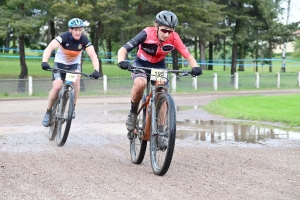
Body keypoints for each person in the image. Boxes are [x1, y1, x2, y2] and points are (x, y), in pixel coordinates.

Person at [117, 10, 202, 137]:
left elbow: (188, 56)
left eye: (170, 31)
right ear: (157, 27)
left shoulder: (174, 38)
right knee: (141, 83)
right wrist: (122, 61)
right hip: (141, 63)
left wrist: (195, 67)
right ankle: (133, 112)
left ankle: (161, 131)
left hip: (158, 65)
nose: (167, 34)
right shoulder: (147, 33)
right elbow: (123, 49)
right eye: (164, 30)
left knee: (162, 93)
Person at [41, 18, 100, 127]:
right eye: (75, 30)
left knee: (76, 79)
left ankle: (72, 108)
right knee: (57, 86)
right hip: (59, 64)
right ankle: (48, 113)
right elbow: (49, 48)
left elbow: (93, 55)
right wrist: (44, 61)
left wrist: (96, 70)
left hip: (73, 66)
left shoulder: (84, 40)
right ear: (70, 30)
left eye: (80, 30)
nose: (78, 32)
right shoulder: (63, 37)